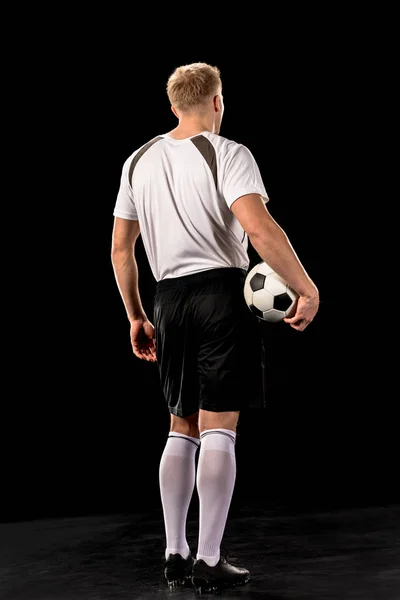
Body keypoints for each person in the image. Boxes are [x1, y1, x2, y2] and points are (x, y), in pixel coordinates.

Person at [111, 62, 319, 593]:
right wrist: (306, 287)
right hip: (222, 295)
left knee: (180, 426)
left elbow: (120, 249)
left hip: (168, 300)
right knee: (218, 426)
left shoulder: (138, 161)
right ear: (217, 101)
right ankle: (207, 560)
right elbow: (258, 225)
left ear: (174, 104)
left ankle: (174, 553)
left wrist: (138, 314)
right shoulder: (228, 153)